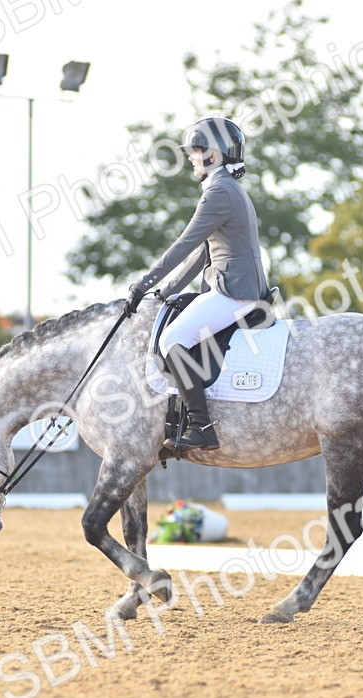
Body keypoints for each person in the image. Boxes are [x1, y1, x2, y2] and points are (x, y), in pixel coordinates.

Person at [124, 117, 269, 453]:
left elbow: (184, 244)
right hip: (233, 285)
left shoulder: (219, 191)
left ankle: (201, 426)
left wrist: (142, 284)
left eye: (196, 150)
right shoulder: (226, 189)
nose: (190, 157)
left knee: (173, 339)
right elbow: (201, 253)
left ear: (215, 155)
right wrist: (166, 290)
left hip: (235, 290)